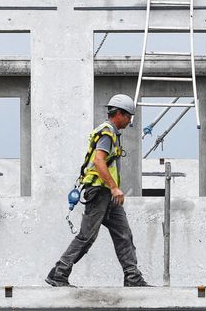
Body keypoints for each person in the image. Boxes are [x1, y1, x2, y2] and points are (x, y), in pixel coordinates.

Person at [45, 94, 149, 287]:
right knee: (87, 236)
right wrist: (114, 187)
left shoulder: (113, 133)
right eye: (129, 117)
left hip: (107, 194)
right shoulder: (107, 133)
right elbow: (99, 161)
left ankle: (133, 277)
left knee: (123, 234)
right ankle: (58, 273)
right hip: (100, 192)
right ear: (119, 114)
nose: (129, 121)